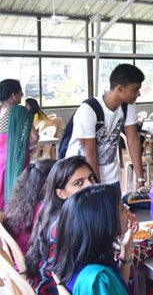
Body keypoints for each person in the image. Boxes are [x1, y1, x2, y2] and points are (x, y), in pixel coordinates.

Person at [26, 157, 99, 294]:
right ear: (61, 193)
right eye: (79, 183)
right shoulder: (65, 226)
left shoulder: (54, 212)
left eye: (92, 178)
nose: (90, 185)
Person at [65, 64, 145, 187]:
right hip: (81, 179)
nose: (138, 94)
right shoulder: (89, 110)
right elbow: (89, 154)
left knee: (117, 206)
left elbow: (133, 140)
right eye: (135, 89)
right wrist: (98, 186)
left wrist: (140, 180)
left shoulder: (128, 107)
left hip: (111, 177)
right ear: (120, 89)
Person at [52, 184, 136, 295]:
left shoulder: (81, 259)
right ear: (102, 222)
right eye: (122, 209)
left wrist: (126, 248)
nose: (128, 213)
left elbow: (118, 288)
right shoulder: (98, 280)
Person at [0, 79, 39, 208]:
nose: (22, 95)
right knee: (14, 196)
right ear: (12, 95)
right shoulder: (19, 112)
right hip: (14, 161)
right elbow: (33, 138)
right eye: (20, 92)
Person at [3, 159, 55, 254]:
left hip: (17, 260)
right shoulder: (44, 210)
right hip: (31, 262)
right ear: (49, 184)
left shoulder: (18, 205)